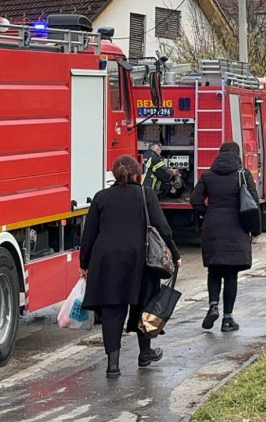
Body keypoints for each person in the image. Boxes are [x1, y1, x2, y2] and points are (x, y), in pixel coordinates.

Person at [80, 155, 181, 379]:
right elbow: (163, 228)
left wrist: (84, 263)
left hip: (106, 262)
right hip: (140, 260)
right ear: (138, 172)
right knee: (144, 307)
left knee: (112, 311)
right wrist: (174, 254)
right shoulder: (146, 195)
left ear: (114, 173)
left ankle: (113, 365)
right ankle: (145, 354)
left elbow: (89, 234)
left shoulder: (101, 197)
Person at [190, 141, 260, 332]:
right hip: (236, 227)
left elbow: (194, 199)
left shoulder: (208, 175)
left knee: (213, 270)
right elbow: (253, 204)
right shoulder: (243, 175)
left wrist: (207, 212)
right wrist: (255, 230)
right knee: (230, 274)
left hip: (212, 226)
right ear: (237, 155)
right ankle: (227, 319)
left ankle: (213, 305)